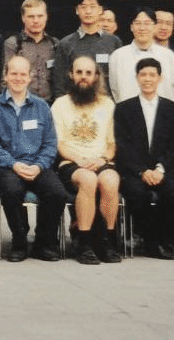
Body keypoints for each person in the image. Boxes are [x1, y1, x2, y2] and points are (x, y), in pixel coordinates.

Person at [0, 55, 68, 262]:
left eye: (23, 74)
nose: (18, 78)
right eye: (13, 73)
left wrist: (39, 166)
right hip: (6, 166)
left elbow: (50, 143)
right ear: (5, 76)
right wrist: (13, 164)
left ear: (30, 77)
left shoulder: (42, 106)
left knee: (57, 192)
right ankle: (19, 242)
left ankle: (44, 243)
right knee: (12, 190)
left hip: (37, 164)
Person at [113, 58, 174, 259]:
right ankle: (150, 242)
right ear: (137, 78)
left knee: (172, 191)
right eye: (143, 74)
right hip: (135, 171)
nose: (147, 79)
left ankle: (164, 240)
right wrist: (142, 170)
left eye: (152, 75)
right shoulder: (124, 108)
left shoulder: (173, 109)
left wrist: (160, 169)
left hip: (162, 170)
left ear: (159, 78)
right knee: (137, 193)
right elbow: (122, 145)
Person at [52, 55, 120, 264]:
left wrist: (102, 159)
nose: (83, 77)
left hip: (101, 160)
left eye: (88, 73)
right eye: (79, 72)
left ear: (96, 76)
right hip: (71, 162)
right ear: (71, 75)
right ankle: (84, 242)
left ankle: (108, 240)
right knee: (88, 179)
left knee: (110, 180)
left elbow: (112, 144)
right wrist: (79, 160)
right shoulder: (60, 104)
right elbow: (59, 144)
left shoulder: (108, 104)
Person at [51, 0, 122, 99]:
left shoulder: (114, 42)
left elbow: (120, 79)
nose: (88, 11)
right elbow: (59, 82)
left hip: (106, 104)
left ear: (100, 10)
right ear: (77, 10)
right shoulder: (66, 43)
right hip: (74, 104)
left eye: (92, 7)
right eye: (83, 7)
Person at [107, 7, 174, 102]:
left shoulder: (169, 56)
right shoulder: (118, 56)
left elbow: (173, 92)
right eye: (137, 23)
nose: (142, 28)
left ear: (155, 26)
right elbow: (115, 90)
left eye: (147, 23)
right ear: (131, 27)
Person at [3, 0, 58, 101]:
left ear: (46, 17)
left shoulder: (55, 44)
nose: (36, 21)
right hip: (22, 103)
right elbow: (4, 79)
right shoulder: (13, 44)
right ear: (23, 18)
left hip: (49, 104)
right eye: (31, 16)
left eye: (40, 16)